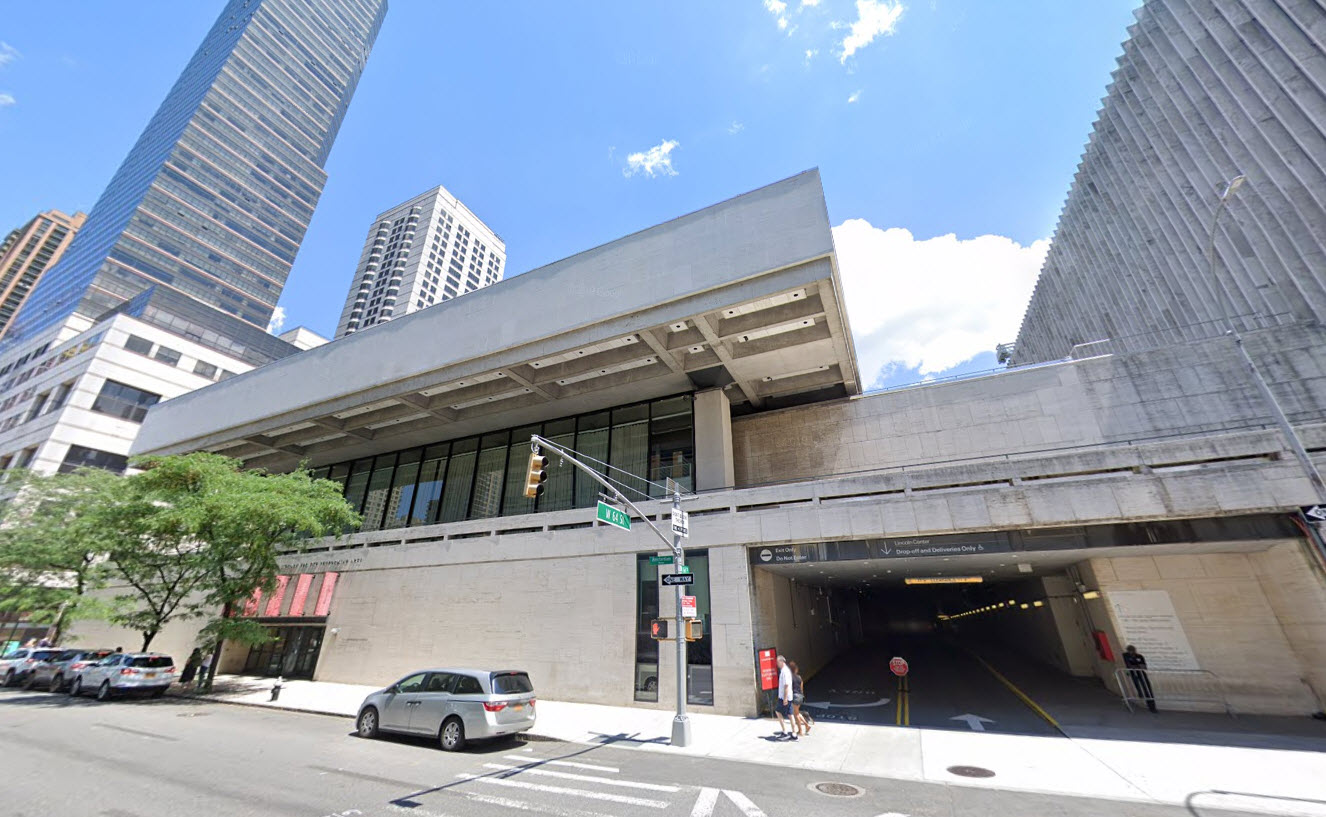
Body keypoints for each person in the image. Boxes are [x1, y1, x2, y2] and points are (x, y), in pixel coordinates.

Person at [1123, 645, 1157, 713]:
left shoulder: (1139, 656)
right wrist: (1136, 666)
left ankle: (1152, 706)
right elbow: (1129, 665)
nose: (1132, 652)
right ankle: (1140, 694)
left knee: (1147, 689)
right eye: (1130, 651)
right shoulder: (1126, 656)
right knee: (1138, 687)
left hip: (1141, 674)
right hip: (1134, 674)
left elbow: (1143, 666)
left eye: (1133, 650)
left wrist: (1135, 666)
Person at [773, 655, 796, 739]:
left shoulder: (785, 671)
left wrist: (785, 698)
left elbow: (786, 685)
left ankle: (788, 732)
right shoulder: (783, 670)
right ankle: (791, 733)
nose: (777, 664)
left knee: (787, 714)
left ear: (781, 662)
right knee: (788, 714)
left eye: (778, 662)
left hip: (784, 697)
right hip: (784, 697)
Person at [789, 660, 811, 737]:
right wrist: (802, 696)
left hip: (794, 696)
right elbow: (801, 688)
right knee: (797, 713)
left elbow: (789, 688)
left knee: (796, 714)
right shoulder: (799, 677)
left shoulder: (790, 677)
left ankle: (800, 731)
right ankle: (806, 726)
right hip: (800, 696)